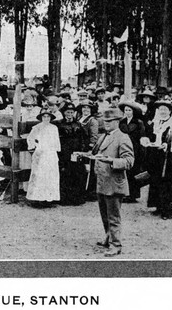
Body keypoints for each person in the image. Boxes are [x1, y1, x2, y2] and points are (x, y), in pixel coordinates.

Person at [91, 108, 134, 257]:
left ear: (117, 122)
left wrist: (112, 161)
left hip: (114, 182)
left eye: (110, 121)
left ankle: (116, 245)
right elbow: (95, 153)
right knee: (104, 213)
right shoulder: (103, 136)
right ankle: (108, 236)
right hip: (102, 181)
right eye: (105, 121)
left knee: (113, 216)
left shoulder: (123, 138)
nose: (107, 123)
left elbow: (129, 161)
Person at [141, 100, 172, 220]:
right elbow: (149, 136)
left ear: (170, 111)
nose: (163, 112)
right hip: (157, 156)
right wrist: (146, 140)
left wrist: (167, 145)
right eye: (161, 110)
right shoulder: (155, 123)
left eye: (165, 110)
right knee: (156, 180)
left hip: (170, 158)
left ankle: (168, 209)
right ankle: (158, 205)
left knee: (168, 183)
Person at [25, 110, 61, 207]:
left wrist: (55, 151)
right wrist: (34, 147)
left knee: (50, 175)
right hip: (41, 153)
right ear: (41, 118)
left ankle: (48, 199)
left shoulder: (54, 128)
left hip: (51, 154)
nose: (46, 119)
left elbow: (56, 142)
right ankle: (37, 199)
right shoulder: (37, 127)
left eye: (48, 117)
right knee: (39, 175)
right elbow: (30, 138)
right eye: (44, 117)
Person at [57, 102, 87, 205]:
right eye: (67, 112)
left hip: (76, 152)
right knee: (65, 174)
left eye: (71, 112)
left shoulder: (78, 124)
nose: (69, 114)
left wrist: (82, 151)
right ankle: (65, 199)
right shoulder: (60, 124)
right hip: (64, 153)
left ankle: (76, 198)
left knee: (77, 174)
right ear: (64, 113)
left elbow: (83, 138)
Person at [118, 101, 146, 203]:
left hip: (135, 149)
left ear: (133, 111)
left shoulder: (139, 123)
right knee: (124, 171)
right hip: (124, 148)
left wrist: (142, 151)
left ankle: (133, 195)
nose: (128, 112)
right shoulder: (122, 122)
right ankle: (124, 193)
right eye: (126, 110)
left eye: (129, 110)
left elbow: (142, 137)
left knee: (134, 172)